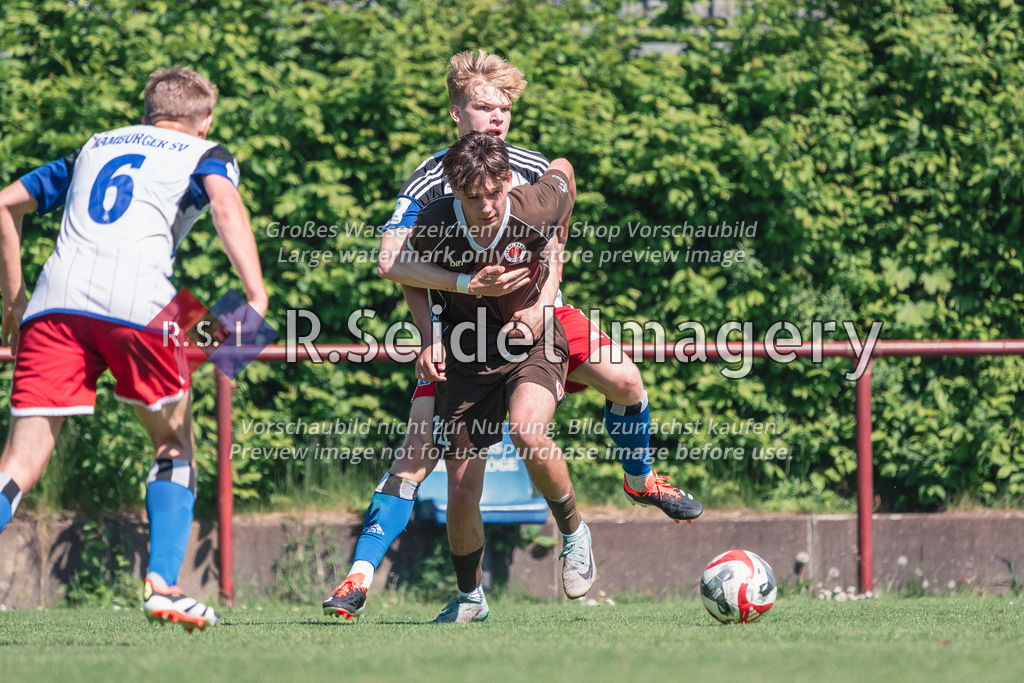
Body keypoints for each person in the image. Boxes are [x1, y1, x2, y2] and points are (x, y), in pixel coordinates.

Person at [322, 50, 702, 623]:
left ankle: (640, 478)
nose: (495, 117)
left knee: (624, 378)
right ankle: (379, 580)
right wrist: (439, 321)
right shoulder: (433, 185)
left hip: (537, 312)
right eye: (482, 106)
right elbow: (395, 263)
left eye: (504, 107)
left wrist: (551, 287)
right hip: (462, 336)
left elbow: (562, 194)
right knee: (426, 463)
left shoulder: (527, 170)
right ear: (456, 112)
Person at [0, 67, 268, 632]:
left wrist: (15, 301)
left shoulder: (95, 148)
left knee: (19, 464)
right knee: (175, 444)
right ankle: (164, 587)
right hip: (140, 305)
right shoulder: (204, 153)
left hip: (56, 302)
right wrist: (256, 294)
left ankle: (226, 351)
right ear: (205, 121)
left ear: (147, 110)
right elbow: (224, 207)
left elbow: (4, 205)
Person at [419, 132, 590, 624]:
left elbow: (565, 167)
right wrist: (430, 337)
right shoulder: (434, 225)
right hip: (467, 353)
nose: (487, 206)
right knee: (461, 488)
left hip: (535, 339)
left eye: (494, 192)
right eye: (474, 197)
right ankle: (471, 599)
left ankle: (575, 535)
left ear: (507, 182)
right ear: (454, 188)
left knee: (527, 430)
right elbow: (405, 274)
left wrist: (546, 295)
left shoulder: (534, 203)